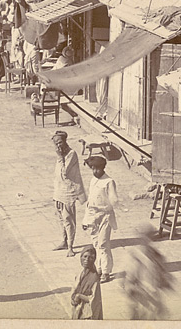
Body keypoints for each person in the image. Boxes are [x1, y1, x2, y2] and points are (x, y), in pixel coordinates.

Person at [123, 225, 173, 319]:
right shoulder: (135, 255)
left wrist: (166, 281)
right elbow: (130, 276)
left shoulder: (155, 254)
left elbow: (160, 272)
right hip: (142, 295)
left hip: (153, 293)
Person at [83, 155, 118, 283]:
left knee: (103, 244)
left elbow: (114, 200)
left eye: (97, 169)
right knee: (96, 244)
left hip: (105, 216)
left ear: (103, 168)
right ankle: (98, 268)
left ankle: (106, 271)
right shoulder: (93, 180)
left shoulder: (109, 182)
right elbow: (89, 201)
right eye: (92, 169)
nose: (95, 171)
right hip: (93, 215)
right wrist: (86, 220)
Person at [53, 131, 87, 257]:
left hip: (68, 193)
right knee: (61, 219)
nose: (58, 146)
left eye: (60, 142)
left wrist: (59, 157)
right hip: (58, 192)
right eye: (56, 143)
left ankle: (71, 246)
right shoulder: (61, 154)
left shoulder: (71, 154)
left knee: (69, 220)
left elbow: (65, 173)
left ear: (65, 141)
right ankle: (64, 241)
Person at [70, 245, 103, 320]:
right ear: (80, 257)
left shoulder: (94, 278)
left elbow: (95, 299)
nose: (87, 260)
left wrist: (79, 296)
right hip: (78, 308)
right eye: (85, 256)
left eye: (90, 257)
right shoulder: (80, 274)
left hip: (87, 312)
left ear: (94, 260)